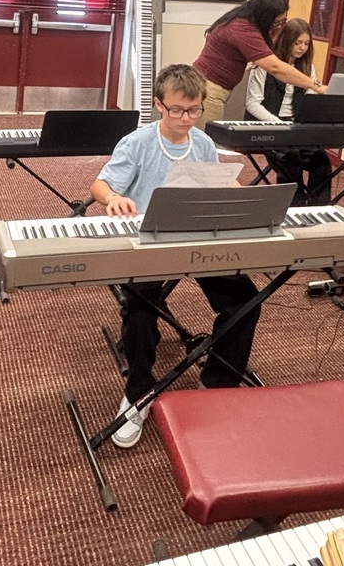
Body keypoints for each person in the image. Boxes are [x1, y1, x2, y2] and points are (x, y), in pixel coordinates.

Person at [90, 64, 261, 448]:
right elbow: (99, 184)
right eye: (177, 110)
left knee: (246, 299)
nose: (186, 119)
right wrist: (114, 198)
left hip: (196, 238)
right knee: (139, 308)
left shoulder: (200, 143)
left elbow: (216, 181)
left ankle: (217, 381)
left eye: (194, 110)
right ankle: (138, 393)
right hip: (148, 242)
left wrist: (244, 194)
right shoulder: (137, 142)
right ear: (159, 106)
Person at [192, 0, 327, 129]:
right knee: (205, 140)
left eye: (283, 21)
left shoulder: (240, 21)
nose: (278, 25)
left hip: (207, 85)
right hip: (209, 90)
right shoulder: (243, 30)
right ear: (266, 17)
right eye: (277, 21)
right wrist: (316, 86)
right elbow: (276, 68)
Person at [245, 17, 331, 205]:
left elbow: (309, 100)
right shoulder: (265, 66)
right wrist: (278, 123)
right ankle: (294, 207)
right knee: (291, 160)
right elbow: (252, 104)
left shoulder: (308, 68)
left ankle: (319, 207)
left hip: (297, 125)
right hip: (270, 126)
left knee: (321, 160)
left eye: (307, 44)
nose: (302, 48)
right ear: (286, 41)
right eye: (297, 43)